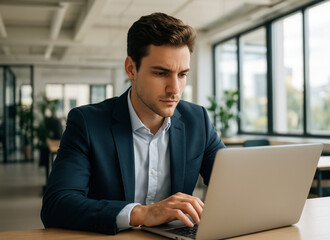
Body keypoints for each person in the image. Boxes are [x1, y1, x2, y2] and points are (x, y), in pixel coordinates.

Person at [41, 12, 225, 235]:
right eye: (161, 73)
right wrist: (142, 213)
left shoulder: (198, 121)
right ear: (131, 69)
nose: (175, 89)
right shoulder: (87, 123)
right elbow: (57, 204)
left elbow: (234, 184)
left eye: (182, 74)